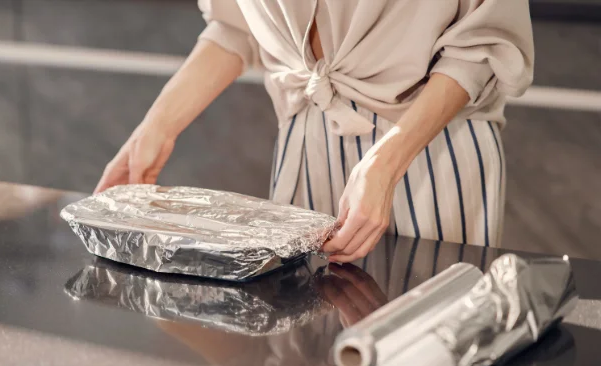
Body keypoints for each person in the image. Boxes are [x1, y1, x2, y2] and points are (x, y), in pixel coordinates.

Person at [94, 0, 533, 261]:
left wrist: (384, 164)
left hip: (430, 148)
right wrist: (155, 130)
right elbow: (237, 25)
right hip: (305, 139)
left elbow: (479, 47)